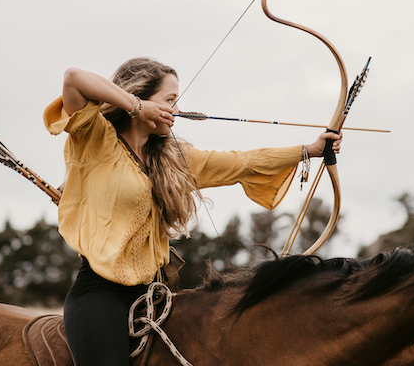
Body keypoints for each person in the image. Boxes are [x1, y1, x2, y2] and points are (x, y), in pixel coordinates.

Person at [43, 56, 342, 366]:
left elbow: (243, 162)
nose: (176, 110)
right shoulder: (95, 138)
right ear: (141, 98)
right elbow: (74, 78)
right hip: (100, 297)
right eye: (170, 100)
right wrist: (136, 106)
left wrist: (310, 150)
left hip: (155, 298)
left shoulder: (174, 158)